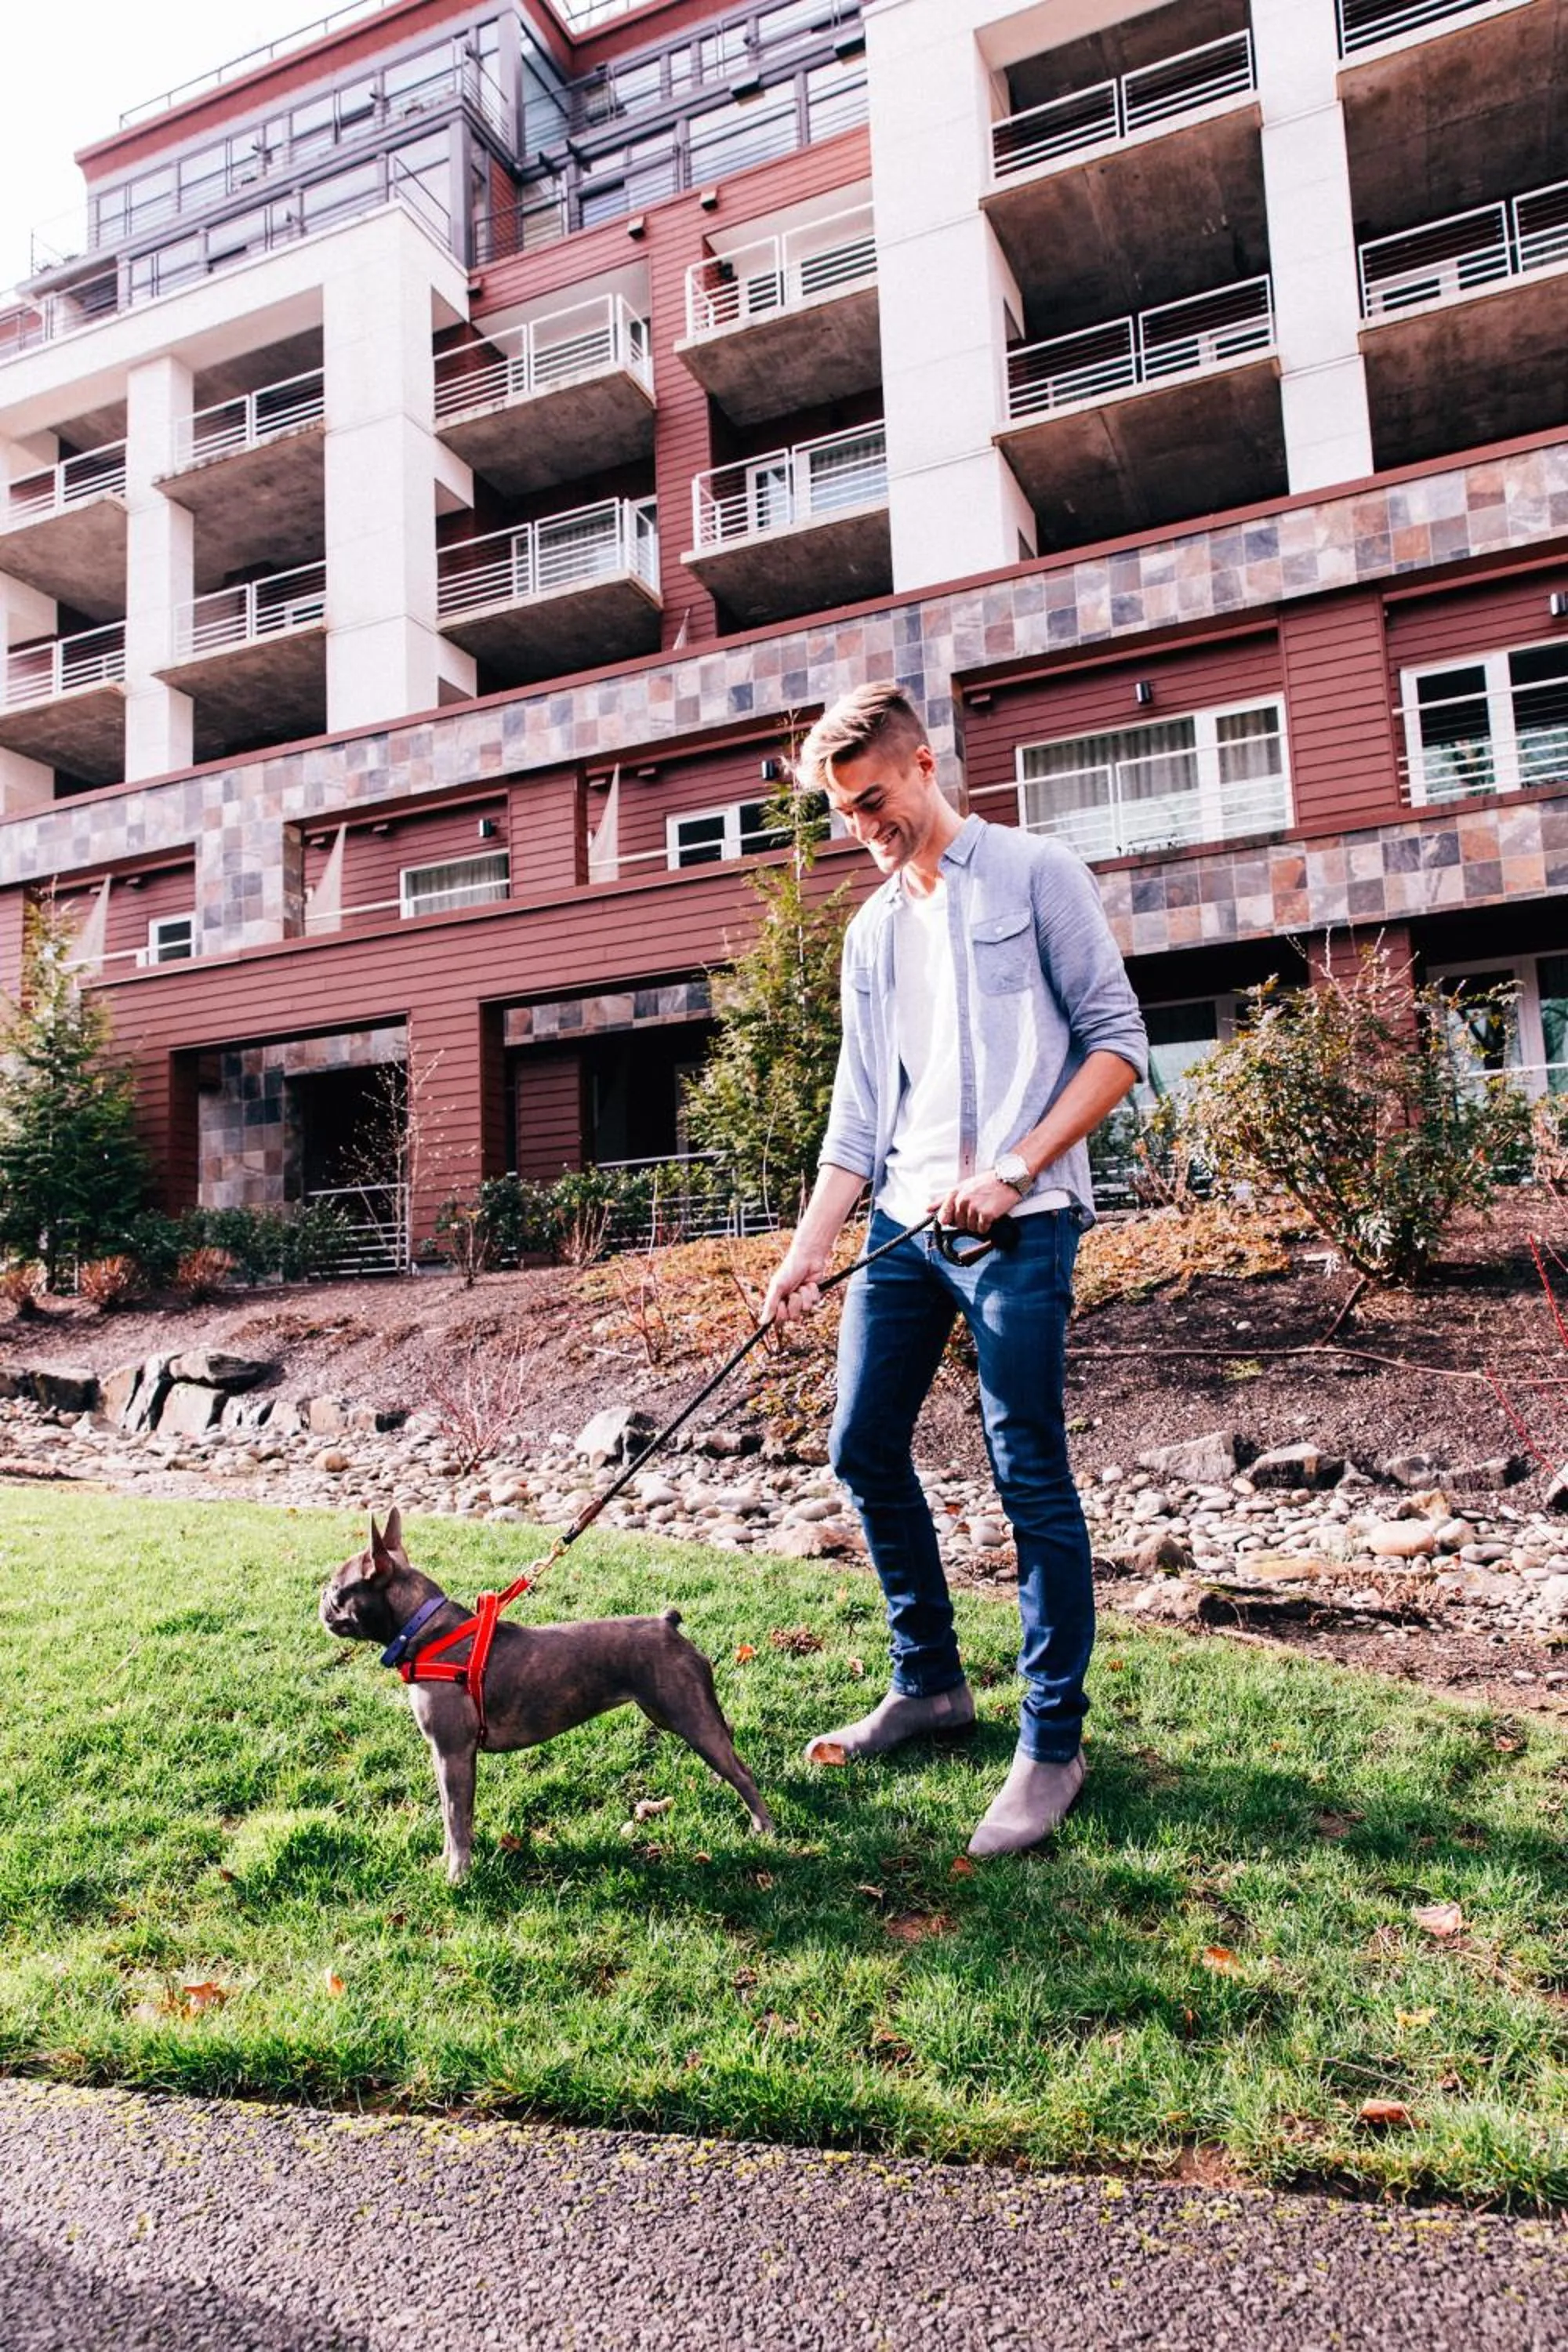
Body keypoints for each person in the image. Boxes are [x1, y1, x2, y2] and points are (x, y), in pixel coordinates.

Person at [762, 683, 1148, 1857]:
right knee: (860, 1447)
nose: (862, 828)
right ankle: (930, 1684)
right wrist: (806, 1252)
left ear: (923, 766)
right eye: (843, 813)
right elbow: (858, 1115)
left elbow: (1117, 1043)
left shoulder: (1038, 874)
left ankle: (1051, 1742)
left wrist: (1021, 1168)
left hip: (1018, 1225)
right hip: (904, 1228)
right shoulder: (872, 931)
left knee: (1027, 1473)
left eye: (872, 800)